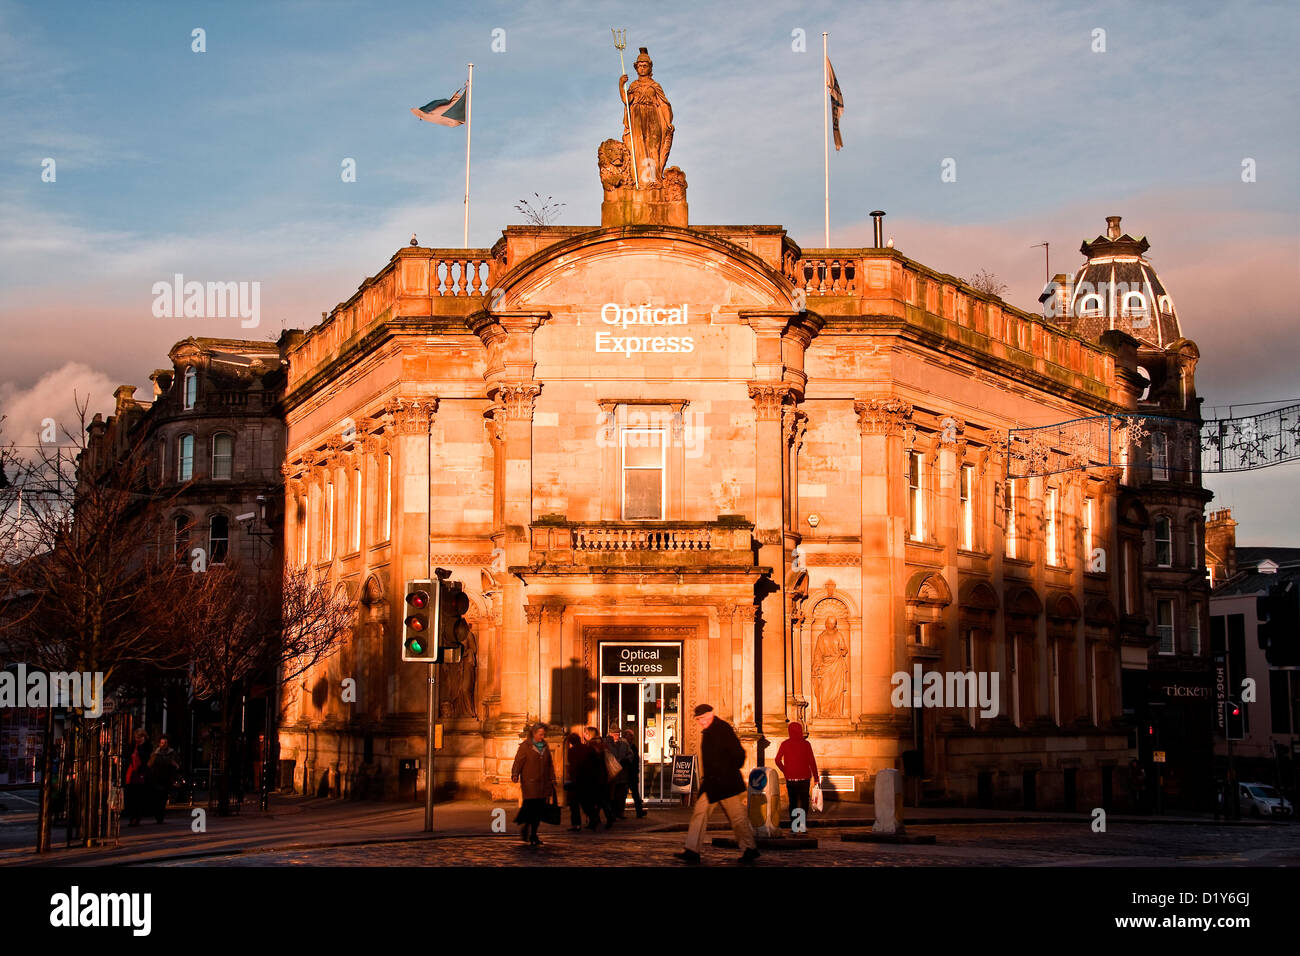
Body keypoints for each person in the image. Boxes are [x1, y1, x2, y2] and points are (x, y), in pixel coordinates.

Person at [675, 704, 759, 865]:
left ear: (711, 714)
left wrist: (729, 771)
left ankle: (750, 848)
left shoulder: (723, 728)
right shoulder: (708, 731)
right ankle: (692, 849)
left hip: (727, 783)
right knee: (699, 814)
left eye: (703, 718)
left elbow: (739, 754)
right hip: (712, 784)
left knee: (737, 817)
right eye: (698, 719)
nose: (701, 722)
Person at [510, 723, 556, 846]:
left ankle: (533, 834)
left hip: (543, 783)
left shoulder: (545, 746)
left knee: (539, 810)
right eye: (540, 734)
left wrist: (552, 778)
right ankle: (527, 828)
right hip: (530, 783)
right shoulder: (525, 746)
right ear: (534, 733)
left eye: (543, 734)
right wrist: (515, 774)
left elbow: (549, 764)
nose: (542, 736)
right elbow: (518, 761)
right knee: (531, 808)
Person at [774, 721, 819, 827]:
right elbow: (812, 761)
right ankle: (802, 826)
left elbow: (777, 760)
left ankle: (794, 827)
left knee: (793, 802)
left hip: (791, 779)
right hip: (804, 778)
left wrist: (785, 770)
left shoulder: (785, 744)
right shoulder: (806, 744)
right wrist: (816, 777)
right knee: (803, 802)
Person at [582, 726, 617, 829]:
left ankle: (599, 819)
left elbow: (589, 762)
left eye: (585, 733)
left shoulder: (591, 745)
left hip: (594, 777)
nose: (583, 735)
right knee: (601, 800)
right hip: (603, 776)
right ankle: (601, 819)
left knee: (592, 801)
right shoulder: (602, 744)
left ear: (589, 734)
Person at [147, 735, 180, 824]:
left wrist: (174, 766)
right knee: (156, 797)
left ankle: (160, 816)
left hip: (166, 778)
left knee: (163, 798)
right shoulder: (155, 753)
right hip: (156, 778)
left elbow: (176, 764)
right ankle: (157, 814)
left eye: (165, 743)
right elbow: (149, 764)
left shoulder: (172, 753)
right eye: (162, 743)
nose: (163, 744)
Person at [124, 729, 152, 827]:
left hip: (141, 773)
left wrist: (140, 749)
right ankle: (132, 817)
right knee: (131, 796)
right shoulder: (132, 746)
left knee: (139, 796)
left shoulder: (147, 746)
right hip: (132, 773)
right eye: (136, 737)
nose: (137, 739)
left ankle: (137, 817)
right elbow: (127, 756)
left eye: (140, 737)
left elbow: (146, 758)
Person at [563, 730, 589, 831]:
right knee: (585, 802)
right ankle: (592, 819)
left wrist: (571, 777)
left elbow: (572, 766)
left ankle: (576, 824)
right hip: (586, 779)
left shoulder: (572, 751)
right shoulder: (586, 748)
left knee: (574, 804)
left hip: (576, 780)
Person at [605, 723, 633, 819]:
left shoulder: (624, 743)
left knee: (621, 795)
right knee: (612, 795)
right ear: (610, 733)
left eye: (618, 733)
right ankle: (611, 813)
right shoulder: (605, 743)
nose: (617, 735)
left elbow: (630, 754)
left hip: (622, 773)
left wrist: (627, 759)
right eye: (614, 733)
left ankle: (620, 813)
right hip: (611, 774)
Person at [622, 728, 648, 817]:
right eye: (630, 736)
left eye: (632, 736)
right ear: (625, 736)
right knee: (623, 794)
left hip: (632, 774)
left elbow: (635, 760)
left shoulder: (633, 747)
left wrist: (636, 771)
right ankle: (620, 812)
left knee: (635, 794)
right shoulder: (623, 747)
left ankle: (639, 811)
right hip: (625, 773)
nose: (632, 738)